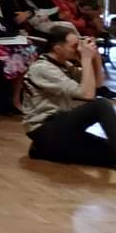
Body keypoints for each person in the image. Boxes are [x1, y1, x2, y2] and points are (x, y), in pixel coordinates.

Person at [22, 27, 116, 167]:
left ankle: (42, 151)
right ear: (58, 48)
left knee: (110, 153)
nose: (78, 49)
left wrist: (95, 56)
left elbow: (96, 84)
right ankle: (44, 147)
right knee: (101, 105)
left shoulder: (64, 65)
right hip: (45, 129)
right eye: (74, 46)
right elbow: (87, 95)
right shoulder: (42, 68)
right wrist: (86, 58)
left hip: (62, 126)